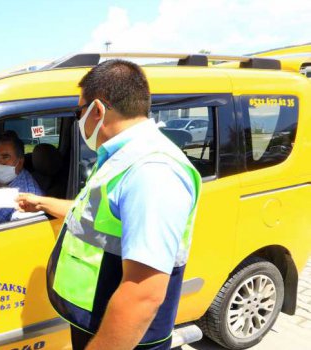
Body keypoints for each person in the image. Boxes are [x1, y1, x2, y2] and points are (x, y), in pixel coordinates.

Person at [17, 59, 201, 350]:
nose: (79, 121)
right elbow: (93, 217)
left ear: (98, 110)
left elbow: (143, 294)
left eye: (79, 111)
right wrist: (41, 202)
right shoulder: (123, 158)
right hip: (99, 321)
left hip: (126, 338)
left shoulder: (151, 171)